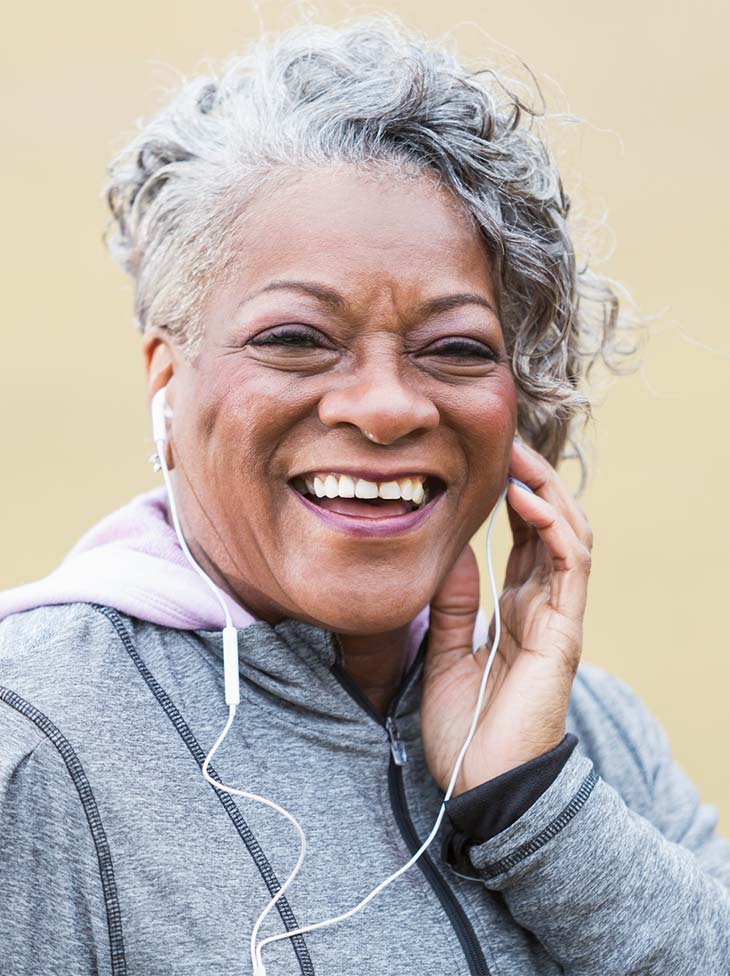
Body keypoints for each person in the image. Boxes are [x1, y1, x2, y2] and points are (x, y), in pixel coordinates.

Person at [1, 14, 728, 976]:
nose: (385, 407)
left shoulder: (596, 738)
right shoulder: (32, 743)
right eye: (296, 338)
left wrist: (533, 806)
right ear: (166, 382)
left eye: (457, 348)